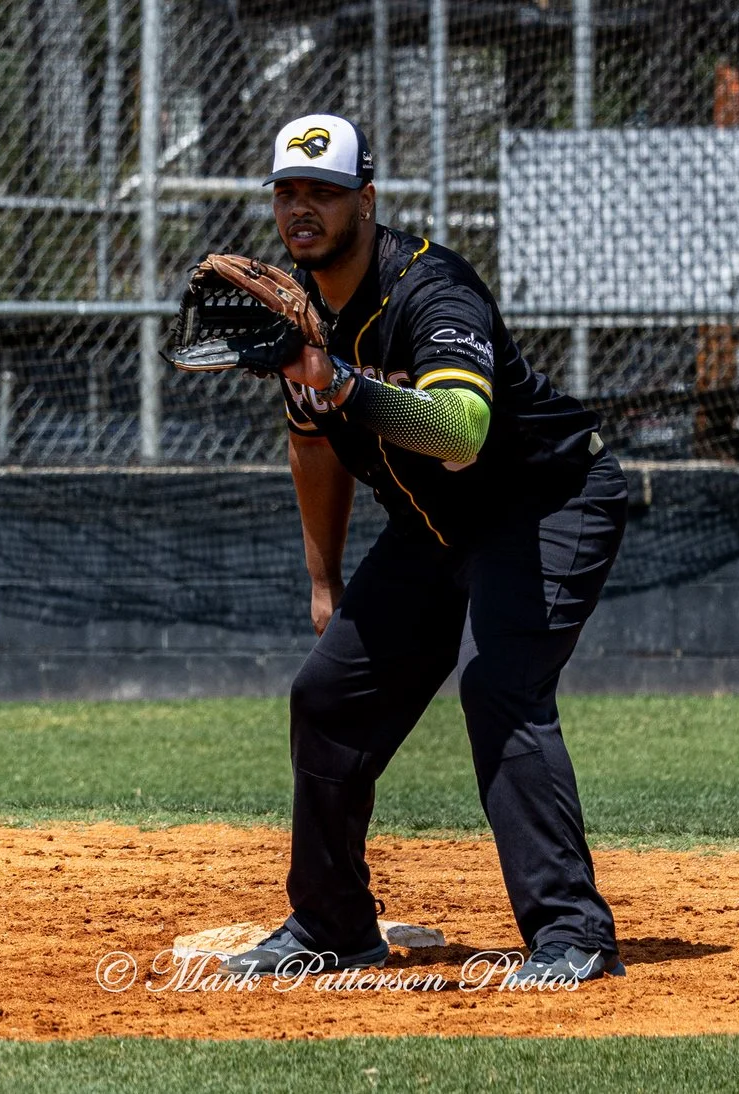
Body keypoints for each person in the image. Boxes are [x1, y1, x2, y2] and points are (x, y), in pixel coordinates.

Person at [214, 115, 627, 986]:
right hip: (435, 530)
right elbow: (312, 443)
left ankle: (572, 934)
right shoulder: (297, 301)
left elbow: (462, 431)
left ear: (366, 199)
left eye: (323, 192)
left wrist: (338, 380)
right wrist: (324, 579)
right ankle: (333, 925)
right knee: (326, 696)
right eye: (288, 191)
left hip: (545, 504)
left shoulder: (433, 290)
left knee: (499, 686)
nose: (302, 209)